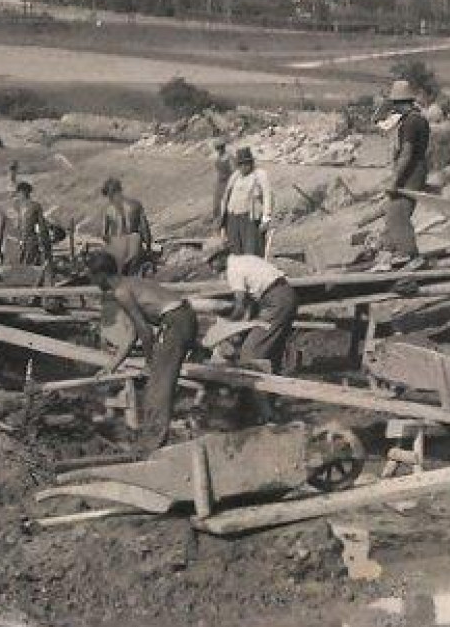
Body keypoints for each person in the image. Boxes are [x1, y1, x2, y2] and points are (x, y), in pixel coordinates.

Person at [84, 249, 200, 447]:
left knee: (157, 387)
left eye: (93, 278)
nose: (93, 284)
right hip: (184, 317)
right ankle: (155, 438)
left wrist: (149, 362)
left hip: (176, 321)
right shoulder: (130, 283)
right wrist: (112, 366)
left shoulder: (121, 292)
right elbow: (133, 334)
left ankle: (151, 445)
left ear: (101, 275)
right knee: (159, 382)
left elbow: (145, 331)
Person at [204, 239, 298, 373]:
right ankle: (271, 385)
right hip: (284, 294)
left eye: (211, 261)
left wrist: (227, 327)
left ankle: (252, 388)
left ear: (221, 256)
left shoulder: (233, 270)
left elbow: (240, 304)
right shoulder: (246, 259)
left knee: (251, 350)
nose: (210, 266)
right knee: (272, 348)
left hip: (275, 301)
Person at [377, 79, 431, 271]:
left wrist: (394, 180)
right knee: (394, 210)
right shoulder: (419, 119)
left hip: (411, 172)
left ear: (399, 102)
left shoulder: (410, 122)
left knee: (397, 213)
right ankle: (393, 251)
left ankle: (412, 256)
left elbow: (406, 153)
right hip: (417, 169)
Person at [219, 147, 273, 256]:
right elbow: (226, 196)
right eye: (240, 164)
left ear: (251, 163)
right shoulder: (235, 176)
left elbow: (267, 195)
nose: (243, 167)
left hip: (250, 218)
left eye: (246, 163)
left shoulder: (260, 174)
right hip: (233, 218)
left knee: (251, 250)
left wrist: (266, 217)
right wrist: (223, 222)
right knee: (235, 250)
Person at [0, 181, 53, 269]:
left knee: (12, 270)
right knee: (30, 269)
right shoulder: (35, 206)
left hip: (11, 247)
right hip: (30, 246)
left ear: (17, 193)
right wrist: (48, 253)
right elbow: (43, 231)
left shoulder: (5, 207)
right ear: (28, 192)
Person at [101, 176, 153, 275]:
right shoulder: (136, 205)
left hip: (117, 245)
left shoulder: (107, 210)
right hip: (134, 243)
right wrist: (148, 247)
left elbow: (104, 234)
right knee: (135, 273)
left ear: (109, 194)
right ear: (120, 189)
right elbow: (145, 229)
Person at [210, 138, 233, 222]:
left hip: (228, 181)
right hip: (220, 182)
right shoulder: (218, 158)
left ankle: (226, 219)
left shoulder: (229, 157)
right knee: (217, 202)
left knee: (226, 200)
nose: (218, 150)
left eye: (220, 147)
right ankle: (218, 220)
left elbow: (233, 171)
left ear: (223, 147)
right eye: (217, 148)